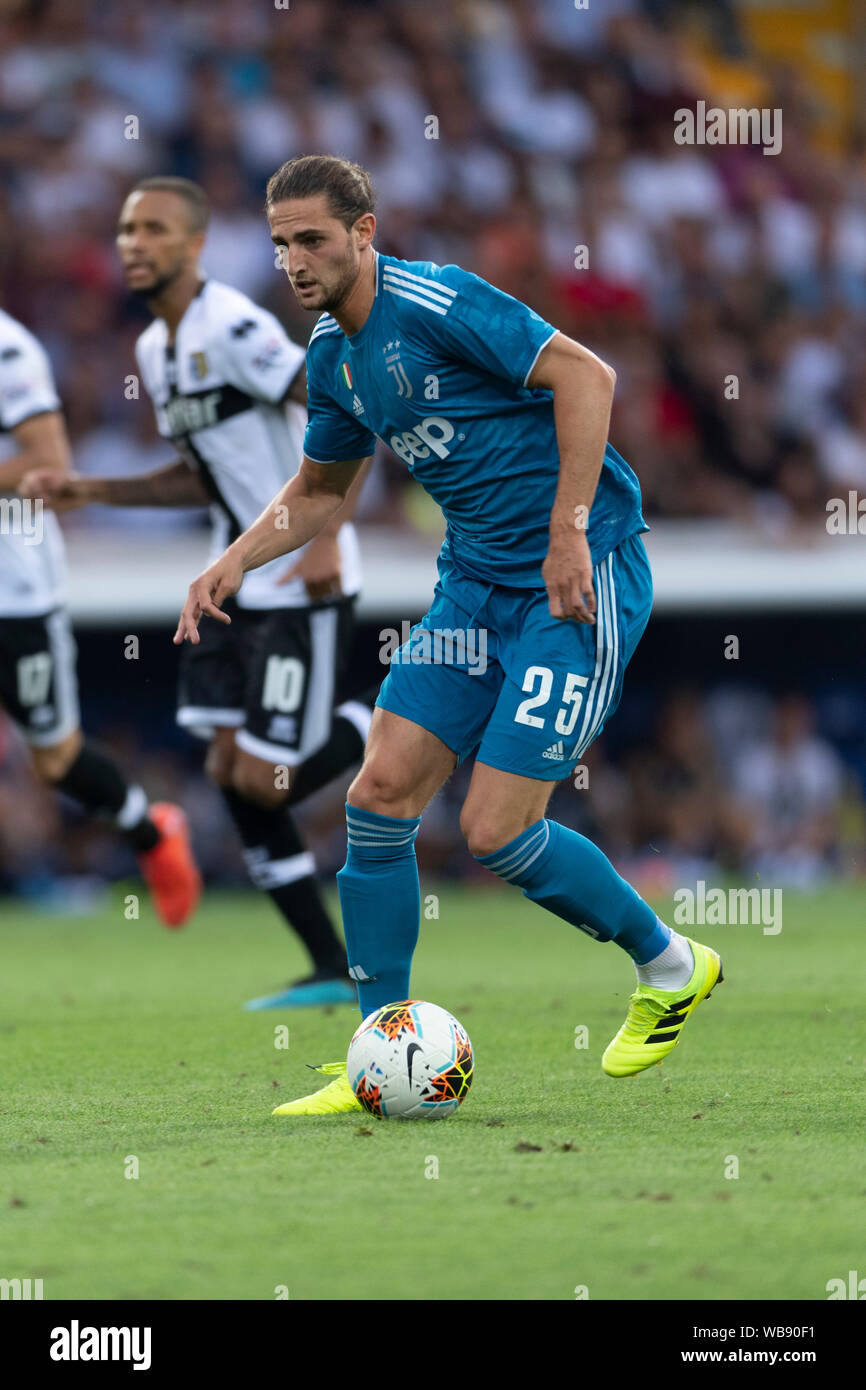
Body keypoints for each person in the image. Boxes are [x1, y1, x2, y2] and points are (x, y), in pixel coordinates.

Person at [174, 155, 724, 1114]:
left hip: (576, 578)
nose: (294, 260)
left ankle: (673, 965)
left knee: (493, 831)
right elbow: (318, 492)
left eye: (311, 239)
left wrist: (565, 534)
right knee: (377, 794)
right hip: (472, 588)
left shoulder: (435, 301)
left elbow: (587, 378)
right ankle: (374, 1054)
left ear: (364, 233)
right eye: (279, 243)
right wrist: (235, 560)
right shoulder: (333, 358)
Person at [24, 177, 375, 1010]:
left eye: (153, 228)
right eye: (124, 229)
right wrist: (94, 492)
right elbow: (202, 475)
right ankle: (328, 966)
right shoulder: (158, 351)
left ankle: (384, 718)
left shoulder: (236, 327)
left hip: (296, 579)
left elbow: (338, 406)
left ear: (195, 245)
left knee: (265, 778)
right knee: (227, 769)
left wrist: (323, 532)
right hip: (233, 578)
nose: (133, 243)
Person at [0, 305, 199, 925]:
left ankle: (150, 830)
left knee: (55, 759)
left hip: (15, 589)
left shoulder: (8, 346)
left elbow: (46, 460)